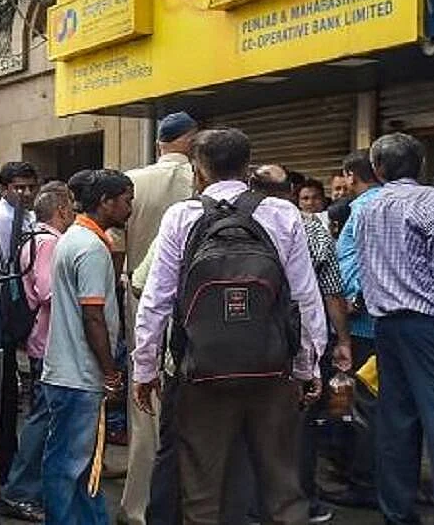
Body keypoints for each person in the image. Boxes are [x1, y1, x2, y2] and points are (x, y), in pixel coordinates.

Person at [132, 128, 327, 525]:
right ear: (247, 165)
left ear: (198, 170)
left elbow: (155, 301)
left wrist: (145, 369)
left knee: (202, 493)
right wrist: (308, 367)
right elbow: (304, 298)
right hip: (272, 371)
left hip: (201, 373)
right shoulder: (282, 213)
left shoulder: (182, 216)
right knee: (283, 488)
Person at [355, 133, 434, 525]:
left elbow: (365, 270)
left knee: (396, 423)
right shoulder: (433, 199)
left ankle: (397, 514)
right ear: (421, 164)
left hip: (386, 327)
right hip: (430, 325)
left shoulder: (367, 209)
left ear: (377, 169)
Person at [249, 164, 352, 524]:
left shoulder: (229, 223)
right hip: (297, 342)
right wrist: (341, 340)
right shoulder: (310, 228)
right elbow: (330, 291)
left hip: (244, 343)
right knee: (301, 425)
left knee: (251, 422)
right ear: (292, 192)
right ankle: (300, 500)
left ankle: (253, 503)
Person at [112, 110, 197, 525]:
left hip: (142, 300)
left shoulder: (133, 182)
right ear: (191, 140)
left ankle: (139, 504)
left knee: (145, 401)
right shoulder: (202, 181)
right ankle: (189, 501)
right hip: (199, 308)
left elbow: (117, 247)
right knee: (198, 406)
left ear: (161, 141)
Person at [40, 169, 133, 524]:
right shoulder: (91, 248)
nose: (130, 208)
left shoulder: (74, 237)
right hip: (79, 375)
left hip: (67, 372)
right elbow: (92, 316)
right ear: (106, 202)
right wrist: (110, 371)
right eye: (126, 200)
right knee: (70, 465)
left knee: (78, 466)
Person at [0, 183, 76, 523]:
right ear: (60, 211)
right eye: (71, 208)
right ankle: (20, 491)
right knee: (41, 417)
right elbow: (47, 291)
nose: (73, 214)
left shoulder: (32, 238)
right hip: (47, 342)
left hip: (39, 341)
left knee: (42, 414)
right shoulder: (49, 243)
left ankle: (27, 487)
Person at [329, 148, 384, 508]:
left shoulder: (363, 210)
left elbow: (351, 267)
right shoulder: (407, 203)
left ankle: (365, 483)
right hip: (399, 326)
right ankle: (395, 481)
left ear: (351, 175)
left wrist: (349, 304)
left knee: (363, 407)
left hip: (364, 328)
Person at [0, 161, 39, 481]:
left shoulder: (32, 218)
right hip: (6, 308)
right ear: (4, 189)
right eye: (17, 188)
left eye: (29, 187)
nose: (24, 193)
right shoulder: (1, 221)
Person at [0, 161, 39, 263]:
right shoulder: (4, 218)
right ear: (3, 189)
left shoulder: (28, 213)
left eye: (31, 188)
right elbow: (7, 259)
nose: (28, 193)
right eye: (20, 188)